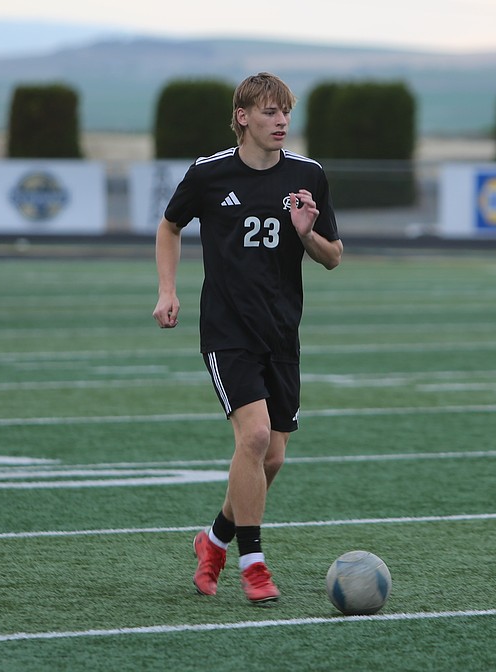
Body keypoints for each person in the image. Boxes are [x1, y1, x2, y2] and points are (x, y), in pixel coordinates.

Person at [152, 72, 343, 605]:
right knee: (254, 437)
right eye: (269, 112)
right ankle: (253, 564)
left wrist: (307, 234)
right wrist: (168, 290)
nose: (281, 121)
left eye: (285, 112)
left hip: (282, 332)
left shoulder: (308, 176)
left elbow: (334, 257)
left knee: (273, 456)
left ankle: (213, 540)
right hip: (227, 329)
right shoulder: (210, 173)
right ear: (243, 117)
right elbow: (169, 226)